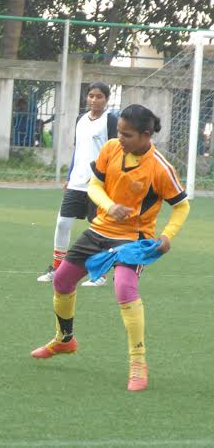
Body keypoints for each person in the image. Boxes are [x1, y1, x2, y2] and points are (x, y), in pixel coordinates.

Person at [30, 104, 190, 391]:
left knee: (124, 288)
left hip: (133, 238)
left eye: (127, 134)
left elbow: (181, 206)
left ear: (145, 135)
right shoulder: (112, 149)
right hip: (99, 230)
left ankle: (138, 362)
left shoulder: (160, 168)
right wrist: (109, 206)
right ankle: (65, 340)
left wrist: (168, 236)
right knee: (63, 280)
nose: (120, 138)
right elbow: (93, 186)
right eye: (118, 132)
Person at [37, 81, 118, 286]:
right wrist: (69, 175)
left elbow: (116, 154)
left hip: (99, 185)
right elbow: (78, 150)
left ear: (106, 99)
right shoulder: (80, 119)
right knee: (62, 223)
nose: (94, 100)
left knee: (98, 229)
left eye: (99, 96)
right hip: (76, 183)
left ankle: (100, 274)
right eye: (91, 96)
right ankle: (57, 267)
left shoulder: (111, 121)